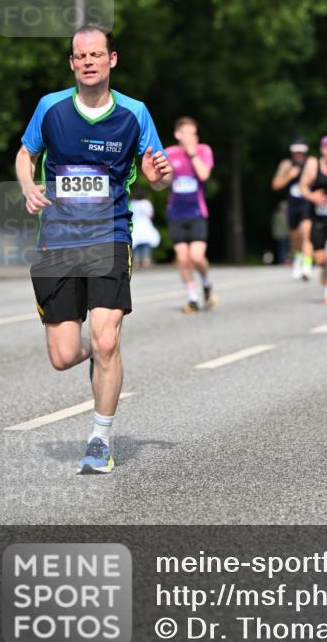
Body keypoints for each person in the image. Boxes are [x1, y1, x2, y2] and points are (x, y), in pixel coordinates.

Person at [15, 25, 172, 475]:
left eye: (96, 54)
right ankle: (98, 358)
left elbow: (158, 176)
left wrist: (160, 173)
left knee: (107, 339)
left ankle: (100, 439)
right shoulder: (50, 108)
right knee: (64, 356)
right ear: (72, 63)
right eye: (80, 55)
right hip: (59, 240)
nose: (88, 61)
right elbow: (25, 154)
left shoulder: (135, 113)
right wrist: (27, 185)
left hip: (109, 234)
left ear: (112, 60)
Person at [165, 117, 217, 313]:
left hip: (197, 211)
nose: (192, 137)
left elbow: (204, 175)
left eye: (194, 134)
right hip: (176, 212)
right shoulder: (170, 153)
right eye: (188, 133)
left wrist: (192, 153)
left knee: (196, 257)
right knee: (183, 258)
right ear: (178, 134)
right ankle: (193, 297)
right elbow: (165, 179)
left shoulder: (203, 150)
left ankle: (206, 282)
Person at [299, 134, 327, 305]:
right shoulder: (313, 164)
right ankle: (326, 268)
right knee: (320, 258)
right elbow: (302, 187)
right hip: (317, 215)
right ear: (322, 149)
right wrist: (312, 196)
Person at [271, 139, 312, 279]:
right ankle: (298, 259)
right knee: (295, 237)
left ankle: (307, 266)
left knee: (306, 233)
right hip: (292, 205)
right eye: (296, 151)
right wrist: (289, 176)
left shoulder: (310, 164)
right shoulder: (286, 165)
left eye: (301, 151)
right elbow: (275, 185)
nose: (299, 154)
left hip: (307, 204)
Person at [130, 187, 160, 268]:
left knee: (135, 244)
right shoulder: (146, 203)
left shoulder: (132, 203)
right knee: (146, 244)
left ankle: (136, 260)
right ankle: (146, 260)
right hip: (145, 225)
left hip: (135, 224)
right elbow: (150, 215)